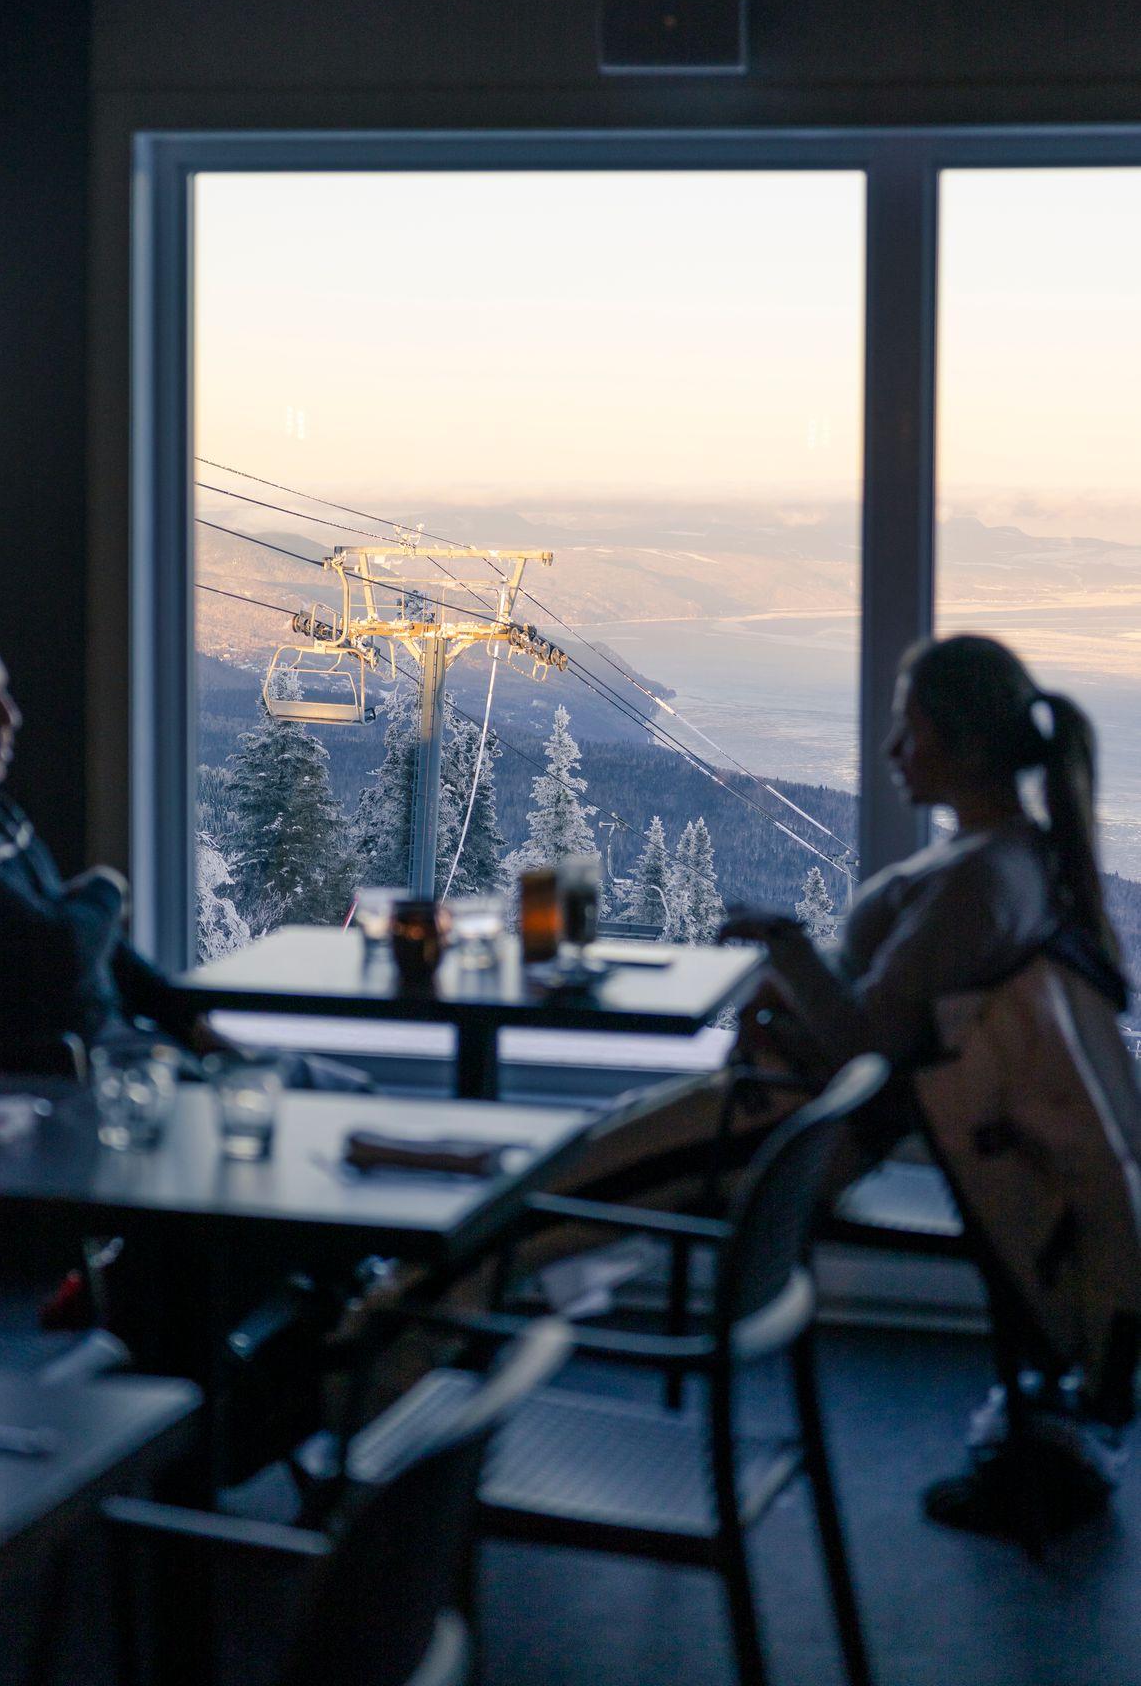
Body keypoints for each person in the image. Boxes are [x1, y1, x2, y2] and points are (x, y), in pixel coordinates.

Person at [342, 634, 1141, 1538]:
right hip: (774, 1111)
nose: (891, 754)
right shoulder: (1010, 858)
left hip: (770, 1127)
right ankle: (391, 1382)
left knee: (522, 1212)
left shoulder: (979, 882)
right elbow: (892, 1034)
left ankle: (364, 1391)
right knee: (542, 1182)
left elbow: (871, 1053)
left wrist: (787, 948)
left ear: (962, 743)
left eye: (907, 733)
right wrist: (788, 1006)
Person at [0, 611, 363, 1099]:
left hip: (123, 1055)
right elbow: (55, 958)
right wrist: (106, 888)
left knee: (343, 1090)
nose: (11, 717)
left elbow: (81, 939)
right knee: (333, 1106)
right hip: (66, 1090)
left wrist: (189, 1024)